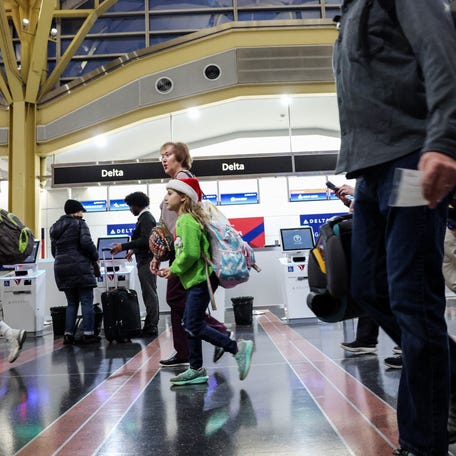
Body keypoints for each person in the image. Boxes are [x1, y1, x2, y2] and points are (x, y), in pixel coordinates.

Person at [334, 2, 456, 455]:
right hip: (370, 170)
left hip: (410, 159)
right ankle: (450, 382)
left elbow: (443, 53)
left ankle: (423, 445)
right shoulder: (350, 10)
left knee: (412, 299)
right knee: (368, 288)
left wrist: (443, 140)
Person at [155, 177, 254, 386]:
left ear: (183, 198)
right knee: (190, 323)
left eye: (170, 193)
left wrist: (172, 269)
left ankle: (236, 348)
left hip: (200, 281)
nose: (166, 198)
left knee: (192, 324)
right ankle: (196, 368)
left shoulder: (186, 221)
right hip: (197, 280)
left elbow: (190, 254)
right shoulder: (189, 220)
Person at [151, 141, 230, 367]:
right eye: (161, 155)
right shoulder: (176, 183)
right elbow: (165, 223)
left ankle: (219, 332)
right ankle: (184, 352)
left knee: (176, 299)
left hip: (185, 250)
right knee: (178, 302)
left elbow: (184, 220)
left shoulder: (184, 180)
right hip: (178, 249)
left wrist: (166, 253)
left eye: (168, 155)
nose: (164, 159)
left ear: (181, 158)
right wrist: (158, 254)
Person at [50, 199, 100, 345]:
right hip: (80, 267)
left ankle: (68, 334)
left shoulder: (55, 227)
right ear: (76, 211)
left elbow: (54, 252)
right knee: (86, 301)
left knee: (71, 302)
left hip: (61, 268)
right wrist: (95, 256)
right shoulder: (80, 223)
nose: (82, 214)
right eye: (81, 211)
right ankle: (88, 334)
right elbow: (86, 243)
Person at [111, 192, 159, 337]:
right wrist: (132, 250)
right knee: (148, 292)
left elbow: (145, 240)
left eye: (131, 206)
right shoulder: (144, 218)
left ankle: (151, 326)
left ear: (137, 205)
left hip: (147, 261)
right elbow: (144, 240)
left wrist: (123, 246)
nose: (130, 209)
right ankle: (150, 324)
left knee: (149, 293)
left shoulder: (146, 218)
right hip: (144, 259)